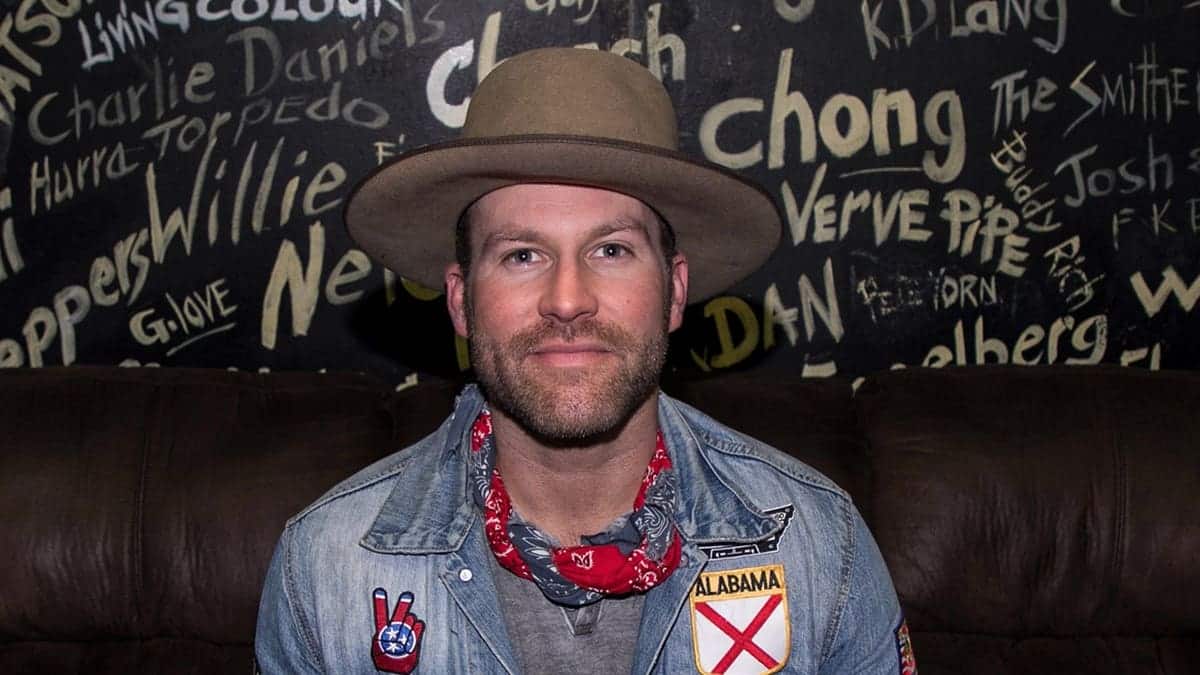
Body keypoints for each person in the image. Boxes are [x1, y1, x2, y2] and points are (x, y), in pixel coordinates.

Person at [255, 47, 915, 675]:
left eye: (612, 250)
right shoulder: (324, 567)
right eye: (522, 254)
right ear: (460, 300)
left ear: (675, 290)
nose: (567, 299)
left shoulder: (821, 546)